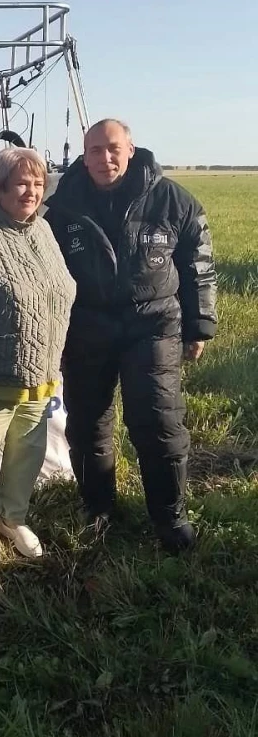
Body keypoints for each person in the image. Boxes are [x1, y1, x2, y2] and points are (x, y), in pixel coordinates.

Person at [45, 119, 217, 552]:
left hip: (153, 324)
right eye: (95, 150)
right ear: (84, 156)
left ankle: (170, 518)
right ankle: (98, 507)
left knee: (158, 420)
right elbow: (45, 274)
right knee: (88, 424)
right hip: (87, 325)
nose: (105, 158)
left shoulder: (172, 199)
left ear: (131, 149)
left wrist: (199, 326)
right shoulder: (63, 204)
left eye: (113, 148)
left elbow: (198, 266)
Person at [0, 148, 76, 564]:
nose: (31, 191)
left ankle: (13, 517)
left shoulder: (44, 231)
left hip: (42, 373)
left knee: (26, 456)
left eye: (38, 184)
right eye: (22, 183)